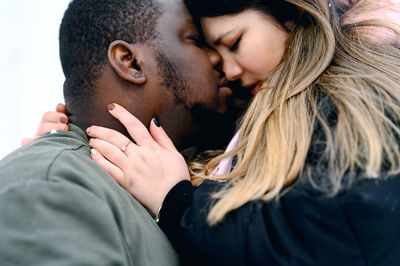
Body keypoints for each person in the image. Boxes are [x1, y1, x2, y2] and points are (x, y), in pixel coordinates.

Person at [85, 0, 400, 265]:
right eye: (220, 58)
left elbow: (334, 229)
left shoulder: (352, 91)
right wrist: (69, 130)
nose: (230, 71)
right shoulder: (261, 109)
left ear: (288, 15)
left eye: (234, 43)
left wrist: (177, 202)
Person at [0, 0, 236, 264]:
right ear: (130, 62)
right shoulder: (53, 185)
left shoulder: (173, 182)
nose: (217, 58)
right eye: (193, 39)